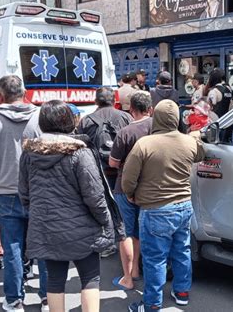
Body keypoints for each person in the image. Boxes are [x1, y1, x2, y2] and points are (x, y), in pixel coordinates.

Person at [19, 100, 114, 312]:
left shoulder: (29, 154)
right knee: (90, 277)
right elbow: (94, 195)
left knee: (54, 280)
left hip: (46, 226)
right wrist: (104, 220)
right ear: (69, 122)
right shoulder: (79, 152)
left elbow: (24, 194)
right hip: (83, 228)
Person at [122, 100, 205, 312]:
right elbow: (202, 154)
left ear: (156, 117)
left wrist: (131, 195)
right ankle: (182, 292)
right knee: (182, 251)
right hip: (184, 206)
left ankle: (151, 305)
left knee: (155, 260)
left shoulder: (145, 144)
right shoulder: (188, 142)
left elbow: (127, 181)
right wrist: (196, 135)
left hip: (155, 209)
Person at [0, 75, 48, 312]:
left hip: (6, 193)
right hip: (38, 191)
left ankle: (14, 299)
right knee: (44, 246)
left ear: (0, 95)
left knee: (13, 248)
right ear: (25, 92)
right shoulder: (39, 117)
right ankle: (49, 296)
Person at [77, 87, 132, 258]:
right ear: (114, 100)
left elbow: (79, 148)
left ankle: (107, 243)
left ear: (96, 101)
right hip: (122, 170)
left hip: (96, 172)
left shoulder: (86, 121)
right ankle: (126, 239)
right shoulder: (125, 117)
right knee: (125, 208)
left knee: (101, 206)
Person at [109, 92, 153, 291]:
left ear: (131, 110)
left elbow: (113, 162)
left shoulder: (125, 132)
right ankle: (139, 269)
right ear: (150, 109)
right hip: (151, 186)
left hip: (124, 185)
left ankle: (129, 276)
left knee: (126, 231)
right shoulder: (160, 129)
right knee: (144, 230)